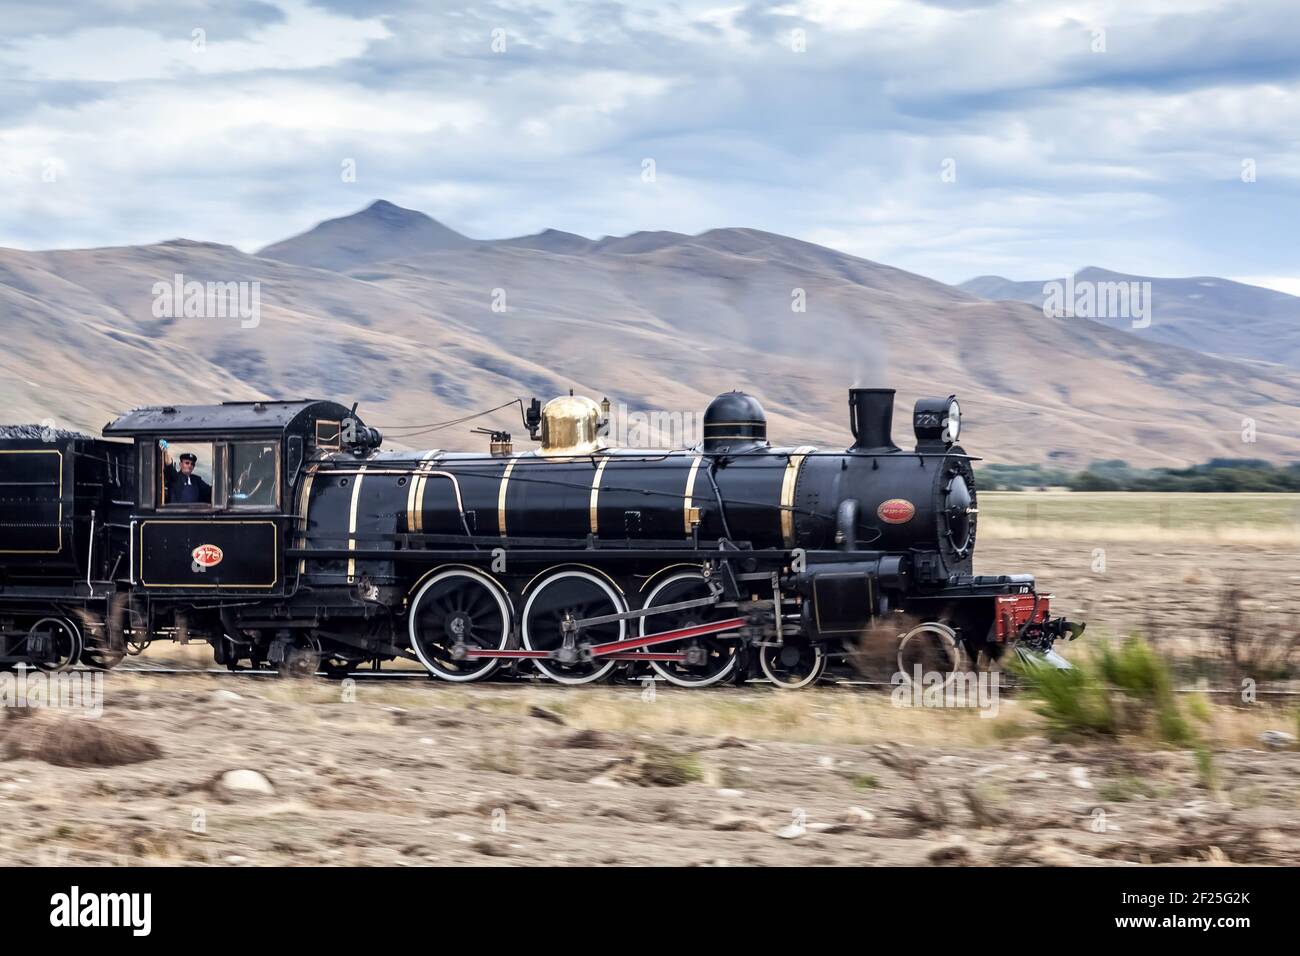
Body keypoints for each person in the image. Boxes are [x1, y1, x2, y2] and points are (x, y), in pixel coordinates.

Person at [160, 440, 212, 504]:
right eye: (187, 463)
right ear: (180, 464)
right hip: (177, 513)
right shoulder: (175, 477)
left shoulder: (197, 480)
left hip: (195, 512)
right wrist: (165, 450)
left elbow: (210, 491)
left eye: (192, 464)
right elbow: (169, 465)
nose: (190, 465)